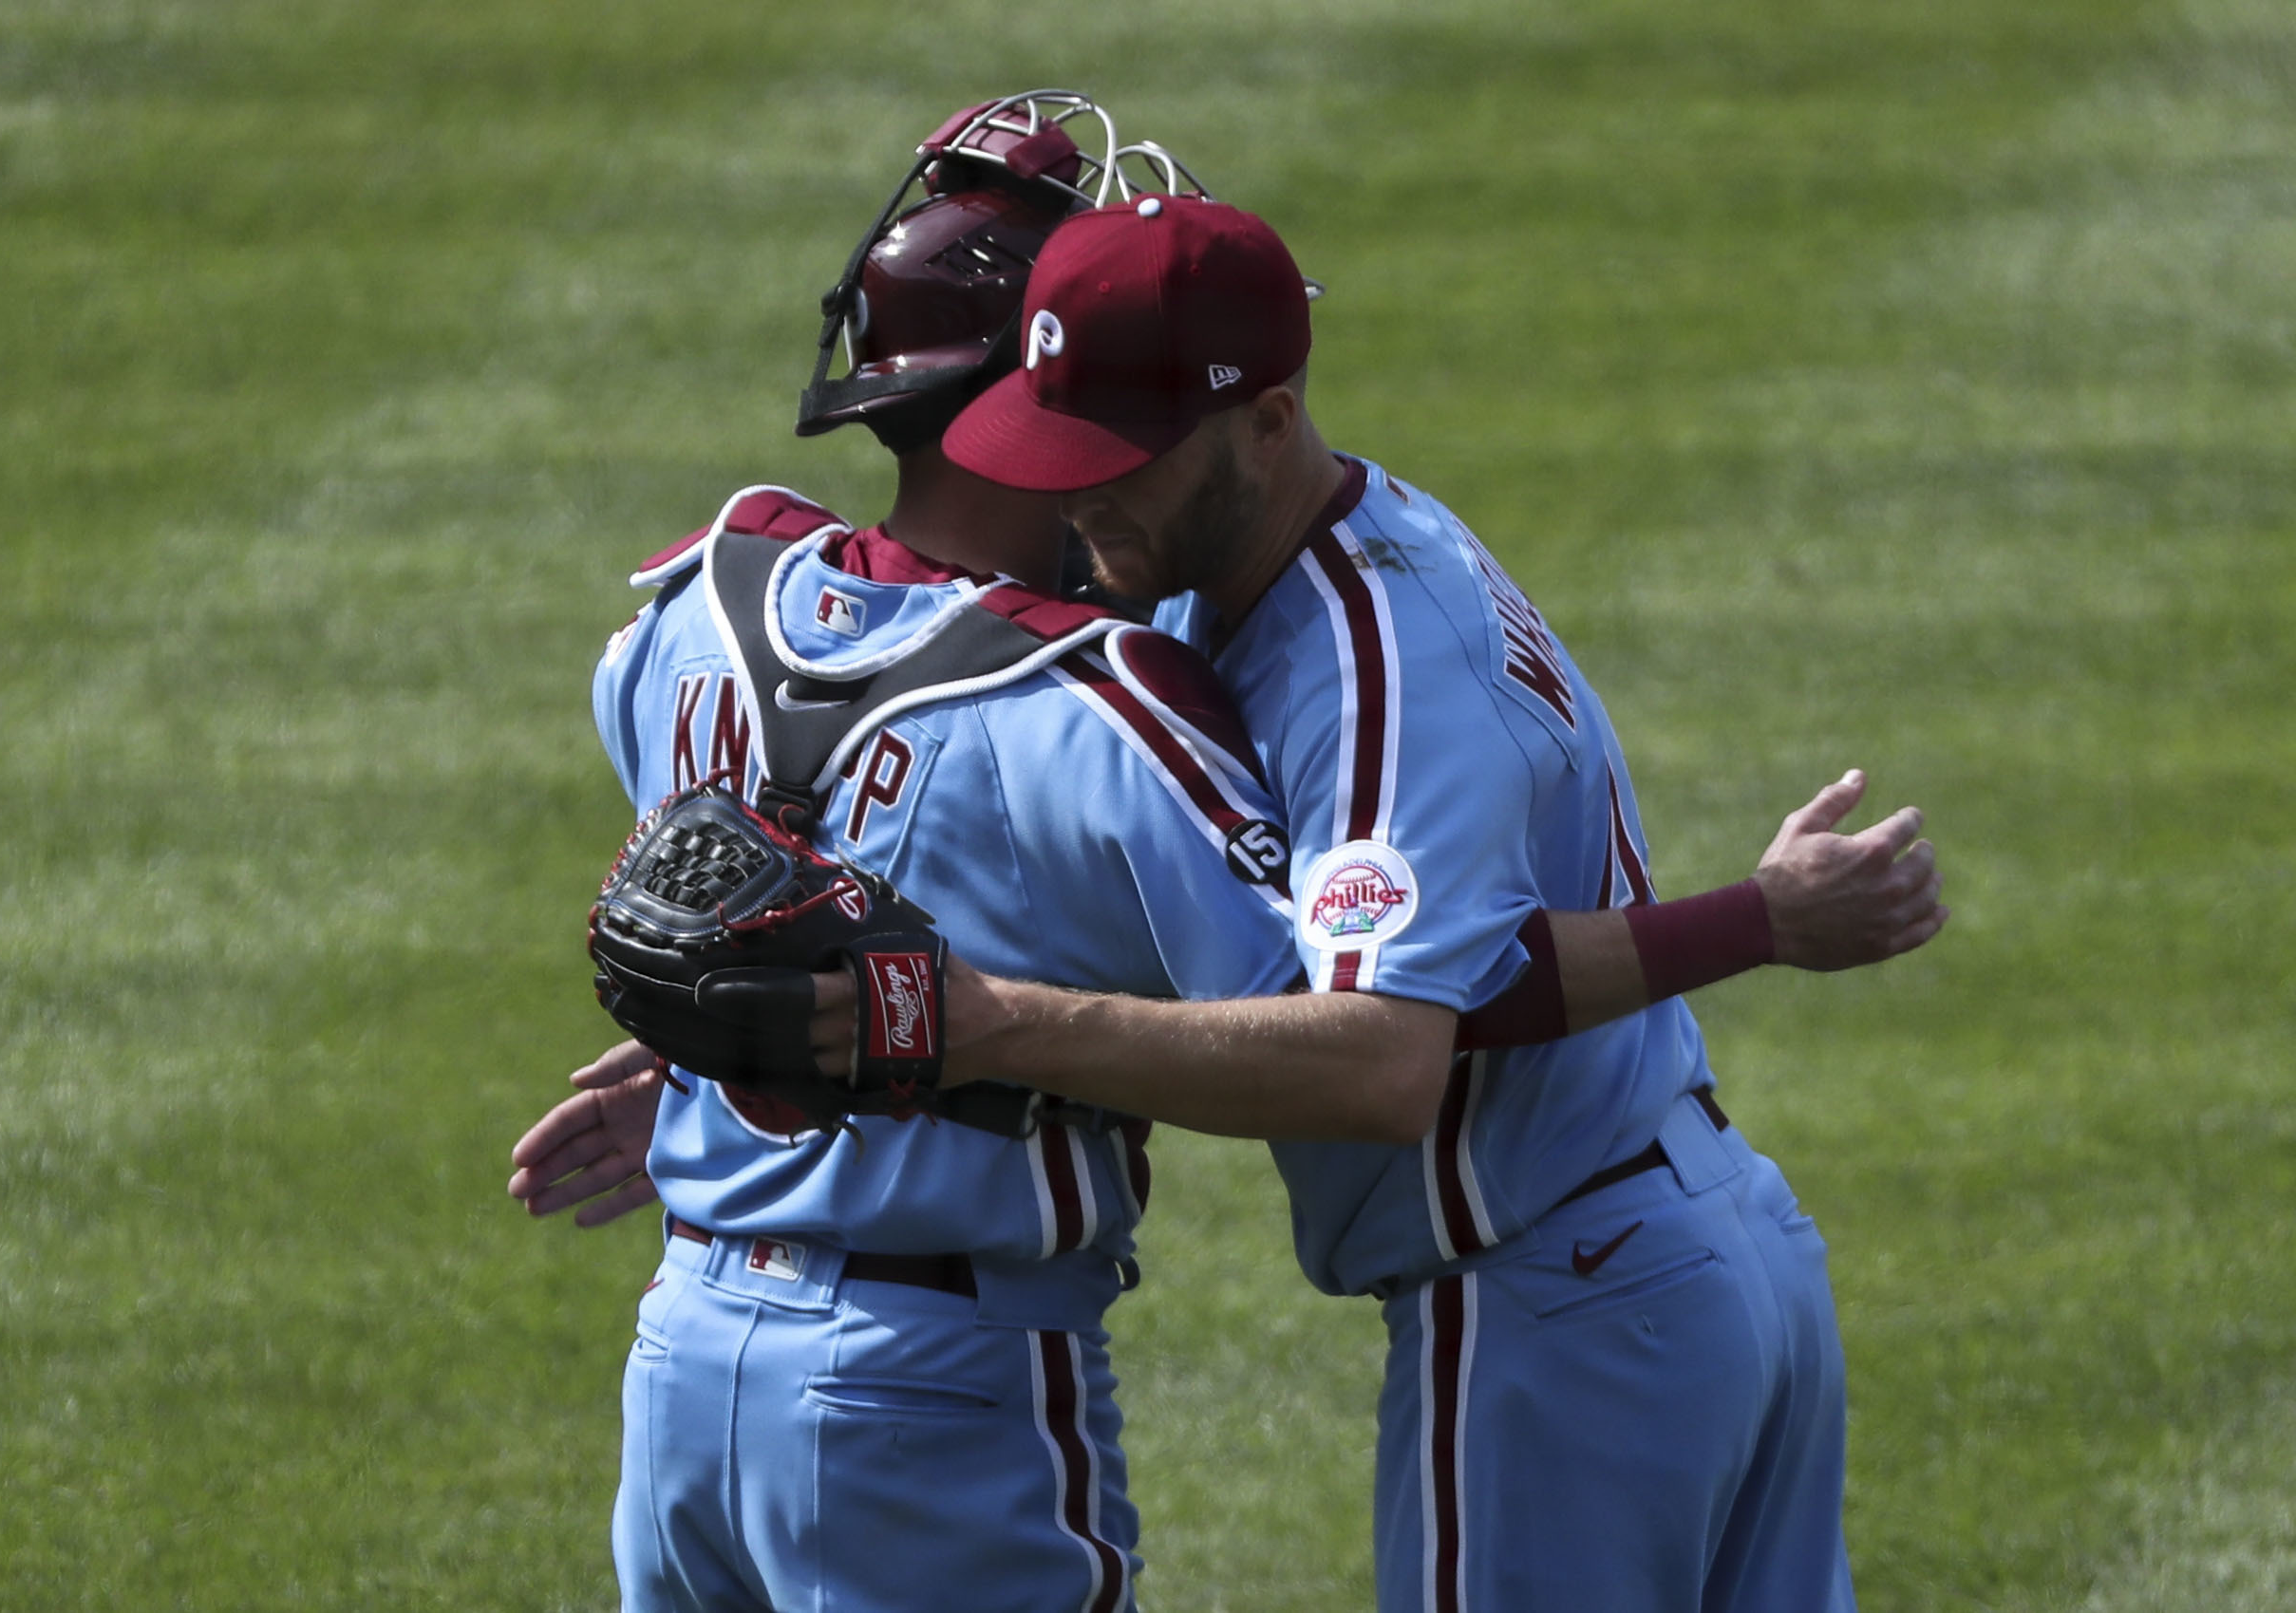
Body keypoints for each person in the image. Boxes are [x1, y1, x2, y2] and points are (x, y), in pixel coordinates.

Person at [919, 193, 1945, 1610]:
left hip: (1562, 1300)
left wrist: (982, 1027)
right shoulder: (1256, 565)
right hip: (1669, 1255)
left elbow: (1387, 1050)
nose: (1077, 494)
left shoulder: (1368, 662)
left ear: (1267, 424)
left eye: (1124, 458)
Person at [517, 93, 1308, 1613]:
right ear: (1045, 398)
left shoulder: (689, 614)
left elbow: (739, 886)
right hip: (933, 1395)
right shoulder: (1102, 710)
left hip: (683, 1361)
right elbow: (1328, 1049)